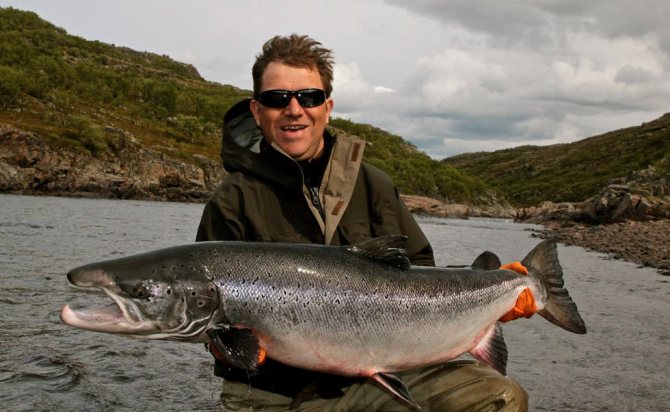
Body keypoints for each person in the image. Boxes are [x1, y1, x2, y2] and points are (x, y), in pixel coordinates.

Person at [196, 34, 528, 411]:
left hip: (378, 381)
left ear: (327, 108)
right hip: (272, 394)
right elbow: (209, 322)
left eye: (309, 97)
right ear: (257, 112)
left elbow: (420, 274)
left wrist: (491, 293)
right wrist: (228, 350)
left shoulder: (372, 185)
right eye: (277, 99)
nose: (294, 110)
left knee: (500, 398)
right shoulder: (232, 200)